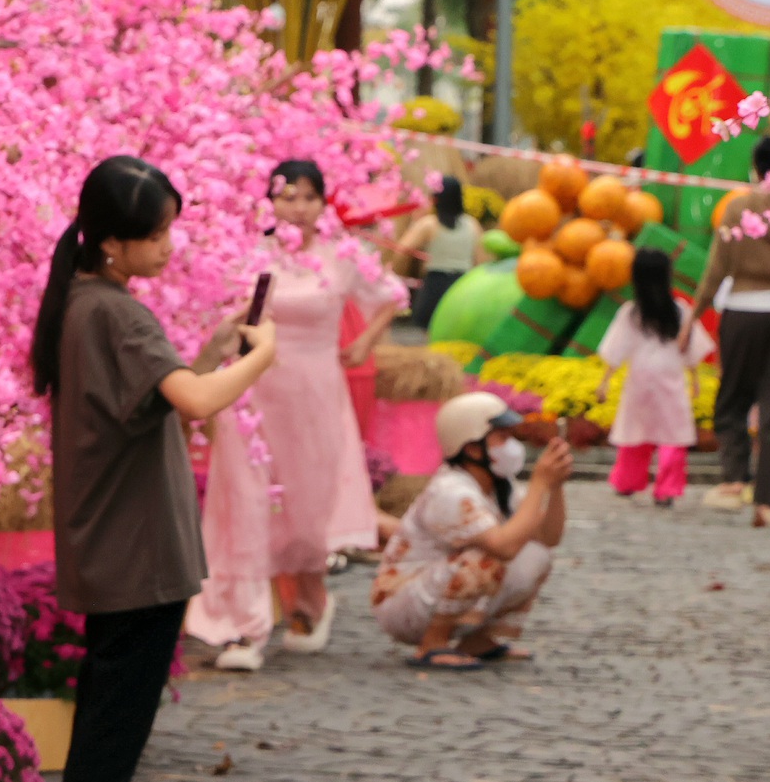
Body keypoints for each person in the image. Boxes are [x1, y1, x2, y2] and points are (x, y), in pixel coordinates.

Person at [33, 154, 277, 782]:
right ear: (112, 241)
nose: (170, 244)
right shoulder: (113, 313)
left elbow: (160, 395)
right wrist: (260, 356)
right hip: (136, 557)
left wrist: (210, 348)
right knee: (110, 736)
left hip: (123, 553)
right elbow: (201, 401)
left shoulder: (93, 303)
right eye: (158, 231)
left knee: (108, 730)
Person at [187, 160, 401, 671]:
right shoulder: (249, 256)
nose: (297, 208)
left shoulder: (342, 256)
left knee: (307, 510)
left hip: (316, 396)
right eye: (287, 197)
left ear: (323, 204)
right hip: (254, 395)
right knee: (244, 501)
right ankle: (245, 626)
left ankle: (310, 603)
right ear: (270, 203)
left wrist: (363, 342)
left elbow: (392, 295)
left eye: (308, 197)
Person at [371, 391, 571, 669]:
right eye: (502, 437)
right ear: (472, 449)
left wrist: (555, 486)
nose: (512, 445)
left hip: (434, 588)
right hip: (402, 602)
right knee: (486, 556)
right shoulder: (451, 491)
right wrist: (539, 484)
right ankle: (433, 643)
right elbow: (503, 546)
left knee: (537, 554)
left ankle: (479, 640)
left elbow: (550, 537)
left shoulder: (500, 484)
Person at [691, 134, 770, 525]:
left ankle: (734, 479)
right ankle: (767, 501)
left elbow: (716, 269)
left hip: (742, 310)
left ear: (755, 167)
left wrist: (694, 315)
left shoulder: (738, 208)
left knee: (732, 398)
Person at [595, 246, 703, 505]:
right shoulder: (679, 311)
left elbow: (616, 350)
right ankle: (666, 489)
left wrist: (605, 381)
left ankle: (627, 481)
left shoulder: (631, 313)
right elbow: (691, 347)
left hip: (640, 378)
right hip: (671, 377)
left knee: (635, 433)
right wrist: (695, 378)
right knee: (673, 434)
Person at [396, 173, 485, 332]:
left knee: (425, 334)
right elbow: (481, 261)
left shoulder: (429, 224)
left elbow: (402, 248)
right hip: (463, 286)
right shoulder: (472, 225)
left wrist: (415, 221)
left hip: (435, 286)